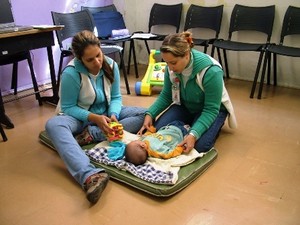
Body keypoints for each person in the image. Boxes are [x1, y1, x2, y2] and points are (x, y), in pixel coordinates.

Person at [45, 30, 146, 204]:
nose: (97, 62)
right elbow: (68, 107)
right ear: (79, 59)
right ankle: (90, 175)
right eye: (90, 60)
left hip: (105, 113)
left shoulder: (111, 65)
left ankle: (93, 134)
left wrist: (113, 114)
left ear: (100, 48)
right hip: (79, 117)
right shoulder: (71, 74)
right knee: (53, 125)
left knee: (145, 114)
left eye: (98, 55)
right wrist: (94, 118)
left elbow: (115, 98)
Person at [138, 31, 237, 155]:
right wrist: (150, 114)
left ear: (186, 54)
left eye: (173, 63)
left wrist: (193, 135)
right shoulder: (171, 67)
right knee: (158, 131)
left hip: (211, 110)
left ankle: (201, 126)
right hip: (185, 105)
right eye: (166, 62)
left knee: (199, 147)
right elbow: (166, 95)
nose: (170, 67)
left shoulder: (211, 71)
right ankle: (191, 125)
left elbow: (211, 109)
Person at [124, 120, 190, 166]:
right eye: (134, 141)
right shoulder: (156, 151)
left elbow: (148, 134)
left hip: (169, 127)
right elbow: (169, 153)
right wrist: (180, 148)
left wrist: (151, 129)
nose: (134, 140)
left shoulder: (144, 141)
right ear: (142, 146)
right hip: (180, 133)